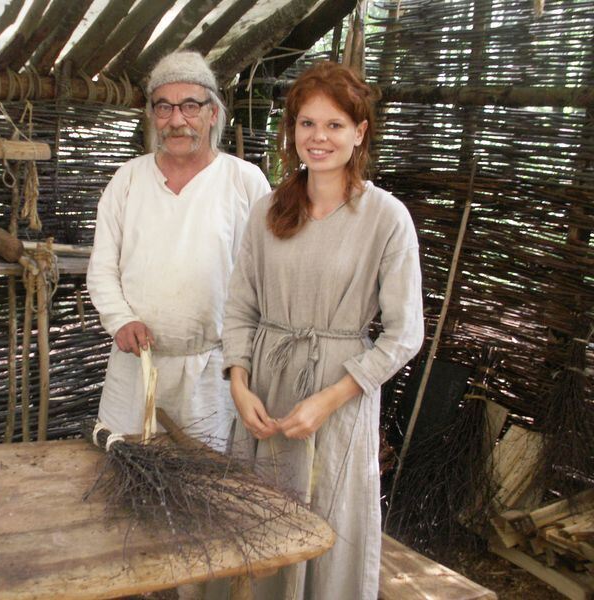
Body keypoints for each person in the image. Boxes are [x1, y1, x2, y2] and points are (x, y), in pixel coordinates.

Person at [222, 61, 424, 599]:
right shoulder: (268, 209)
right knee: (254, 518)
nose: (319, 138)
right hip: (265, 389)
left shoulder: (386, 217)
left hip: (339, 398)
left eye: (334, 125)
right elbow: (240, 307)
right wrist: (240, 385)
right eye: (306, 124)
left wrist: (330, 399)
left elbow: (405, 334)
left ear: (360, 133)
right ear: (291, 131)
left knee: (327, 515)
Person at [87, 50, 271, 451]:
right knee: (126, 470)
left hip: (213, 371)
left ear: (213, 113)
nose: (176, 120)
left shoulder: (245, 182)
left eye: (190, 105)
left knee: (208, 482)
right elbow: (102, 267)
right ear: (152, 115)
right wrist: (120, 320)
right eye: (164, 107)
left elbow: (265, 276)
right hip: (136, 368)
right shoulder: (128, 180)